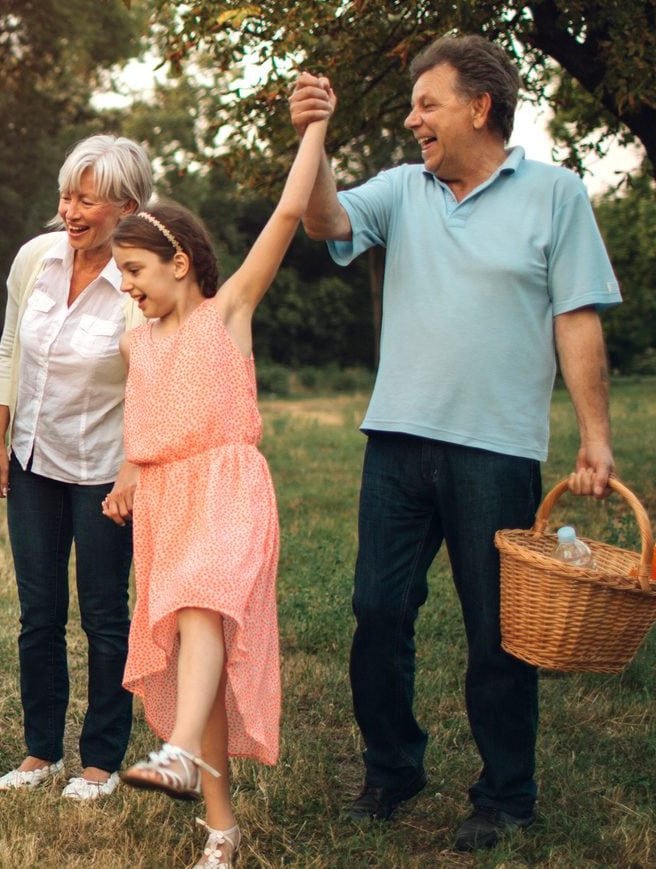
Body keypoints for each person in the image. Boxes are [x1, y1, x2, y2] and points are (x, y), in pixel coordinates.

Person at [292, 35, 621, 852]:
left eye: (426, 105)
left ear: (479, 107)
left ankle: (506, 793)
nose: (413, 121)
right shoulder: (404, 190)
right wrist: (313, 135)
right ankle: (392, 768)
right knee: (376, 609)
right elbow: (323, 218)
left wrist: (594, 439)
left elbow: (575, 317)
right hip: (397, 439)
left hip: (495, 450)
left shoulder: (555, 195)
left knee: (499, 631)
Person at [100, 105, 332, 868]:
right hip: (167, 503)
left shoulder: (227, 311)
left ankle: (171, 753)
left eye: (132, 270)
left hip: (228, 488)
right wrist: (129, 476)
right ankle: (220, 828)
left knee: (201, 599)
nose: (125, 286)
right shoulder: (137, 344)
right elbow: (149, 424)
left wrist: (313, 129)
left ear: (176, 260)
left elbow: (291, 210)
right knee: (189, 658)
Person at [0, 134, 151, 801]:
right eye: (65, 195)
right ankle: (39, 751)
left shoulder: (140, 278)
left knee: (105, 615)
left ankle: (99, 761)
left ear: (126, 206)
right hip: (31, 461)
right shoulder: (34, 260)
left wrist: (134, 469)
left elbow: (153, 381)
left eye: (86, 198)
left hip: (105, 471)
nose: (69, 210)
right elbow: (6, 352)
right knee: (38, 610)